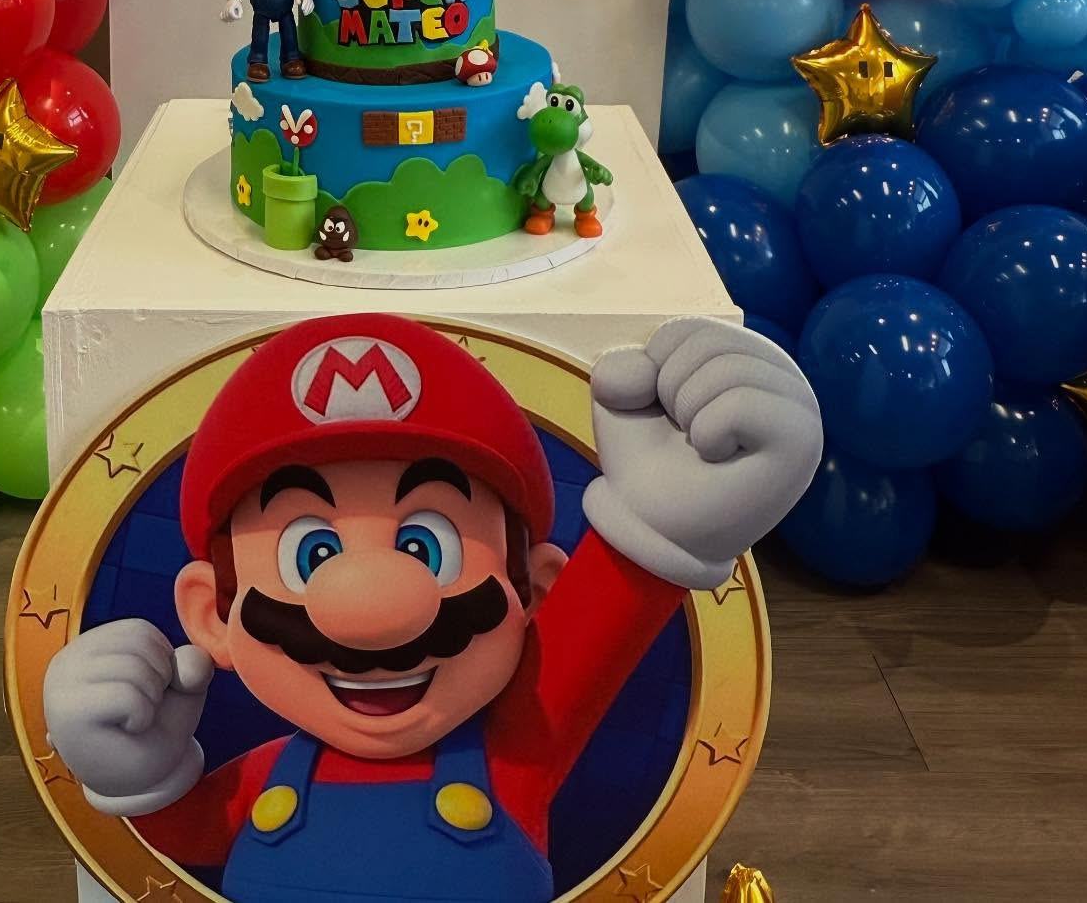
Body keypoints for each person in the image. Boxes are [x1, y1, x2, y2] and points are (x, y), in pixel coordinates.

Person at [43, 313, 823, 903]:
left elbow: (598, 631)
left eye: (426, 546)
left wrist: (670, 523)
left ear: (534, 592)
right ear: (214, 615)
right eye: (312, 554)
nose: (372, 611)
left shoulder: (518, 754)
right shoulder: (263, 780)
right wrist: (132, 766)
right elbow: (188, 833)